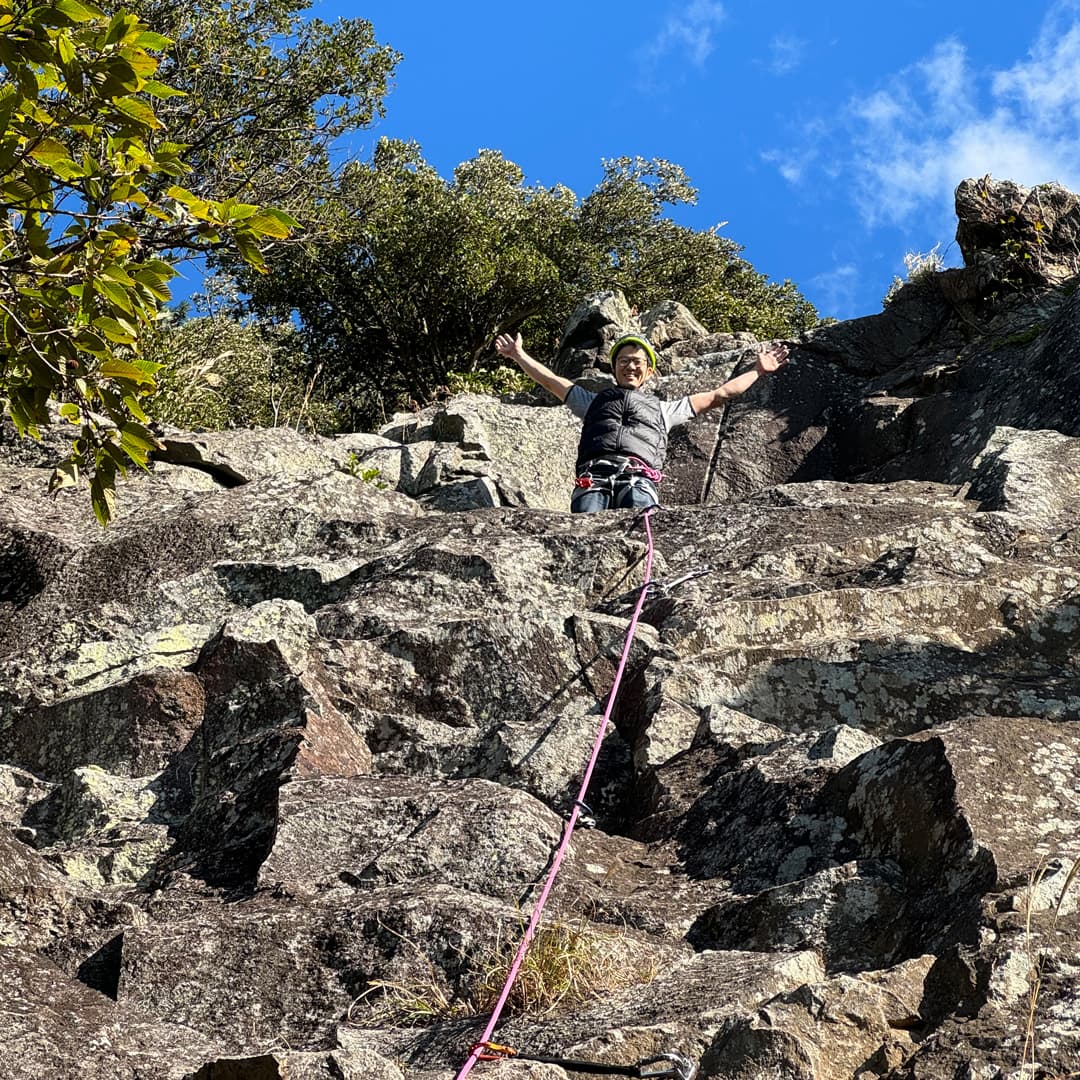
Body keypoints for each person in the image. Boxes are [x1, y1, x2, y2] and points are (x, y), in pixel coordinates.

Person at [494, 330, 789, 513]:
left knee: (639, 539)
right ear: (613, 369)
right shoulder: (592, 402)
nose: (630, 366)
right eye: (623, 361)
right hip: (593, 478)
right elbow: (551, 382)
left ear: (648, 373)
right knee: (584, 537)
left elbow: (720, 394)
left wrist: (758, 372)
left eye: (637, 362)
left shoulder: (665, 409)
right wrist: (519, 355)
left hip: (639, 478)